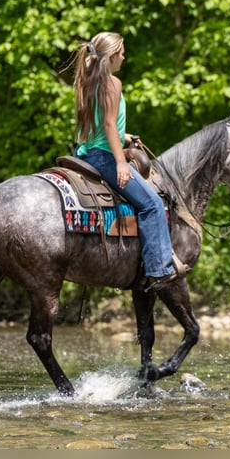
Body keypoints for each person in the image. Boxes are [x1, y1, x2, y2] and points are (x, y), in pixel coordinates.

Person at [72, 31, 181, 287]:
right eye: (121, 52)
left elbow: (102, 126)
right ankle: (159, 270)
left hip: (85, 152)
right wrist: (121, 162)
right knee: (153, 203)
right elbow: (109, 124)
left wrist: (125, 136)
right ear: (110, 57)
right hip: (104, 157)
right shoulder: (113, 83)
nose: (124, 56)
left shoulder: (86, 80)